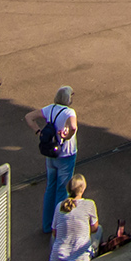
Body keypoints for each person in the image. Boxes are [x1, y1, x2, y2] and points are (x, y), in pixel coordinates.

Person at [26, 87, 80, 234]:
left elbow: (29, 117)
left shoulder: (49, 109)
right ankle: (59, 226)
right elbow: (73, 127)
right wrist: (67, 136)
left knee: (50, 188)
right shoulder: (69, 112)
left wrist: (38, 132)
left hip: (50, 154)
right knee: (62, 190)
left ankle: (47, 224)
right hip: (66, 154)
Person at [48, 174, 98, 261]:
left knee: (53, 237)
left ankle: (56, 257)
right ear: (83, 188)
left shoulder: (59, 206)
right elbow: (94, 228)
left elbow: (54, 232)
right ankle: (95, 256)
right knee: (99, 229)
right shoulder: (89, 204)